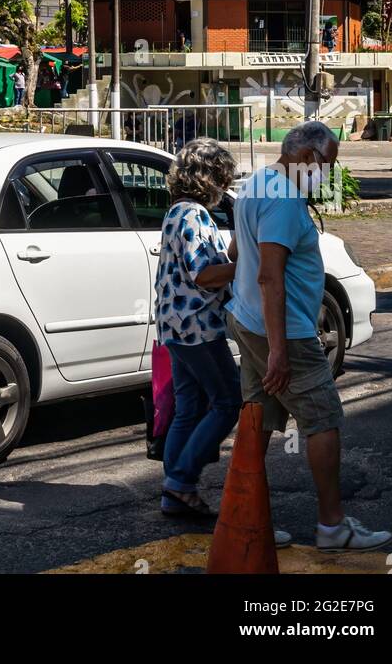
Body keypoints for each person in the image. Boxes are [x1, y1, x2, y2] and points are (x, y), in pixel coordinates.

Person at [227, 120, 392, 551]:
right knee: (324, 420)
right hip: (286, 332)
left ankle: (248, 519)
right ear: (305, 157)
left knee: (258, 418)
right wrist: (281, 349)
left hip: (249, 321)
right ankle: (332, 525)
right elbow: (269, 276)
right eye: (326, 165)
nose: (327, 175)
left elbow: (237, 251)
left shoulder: (258, 183)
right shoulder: (282, 199)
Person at [155, 139, 242, 520]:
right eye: (223, 177)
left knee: (189, 408)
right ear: (210, 178)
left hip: (177, 326)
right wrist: (250, 267)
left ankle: (176, 489)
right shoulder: (192, 215)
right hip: (197, 328)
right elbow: (204, 274)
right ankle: (179, 483)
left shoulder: (178, 211)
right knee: (227, 401)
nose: (226, 185)